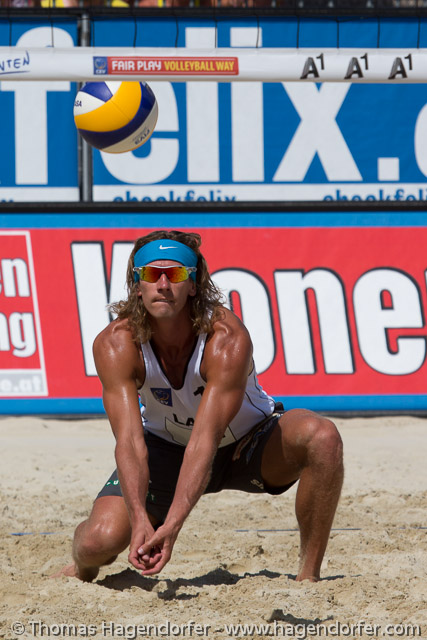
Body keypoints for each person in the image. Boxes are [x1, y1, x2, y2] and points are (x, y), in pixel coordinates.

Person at [57, 229, 343, 583]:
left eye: (175, 274)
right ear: (137, 285)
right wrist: (139, 516)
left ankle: (308, 577)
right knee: (96, 542)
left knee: (322, 437)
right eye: (152, 274)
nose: (163, 285)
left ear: (193, 285)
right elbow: (130, 442)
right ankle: (80, 569)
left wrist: (173, 526)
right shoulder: (116, 343)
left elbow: (205, 440)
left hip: (246, 443)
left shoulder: (225, 338)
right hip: (167, 449)